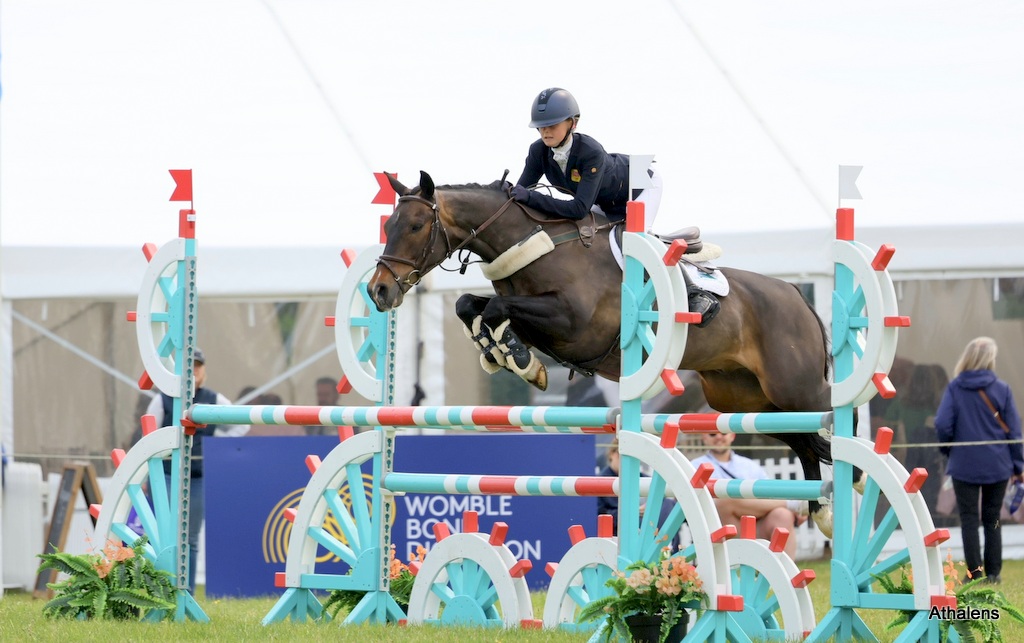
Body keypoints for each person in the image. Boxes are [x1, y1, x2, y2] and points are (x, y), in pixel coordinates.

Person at [511, 87, 718, 326]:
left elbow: (577, 209)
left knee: (636, 239)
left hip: (641, 186)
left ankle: (694, 293)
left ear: (573, 123)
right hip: (604, 200)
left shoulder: (590, 152)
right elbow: (520, 193)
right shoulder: (538, 151)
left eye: (552, 125)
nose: (545, 131)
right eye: (541, 126)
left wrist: (530, 197)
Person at [143, 348, 248, 592]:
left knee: (190, 538)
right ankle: (160, 590)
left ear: (204, 370)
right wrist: (151, 473)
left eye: (198, 365)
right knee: (163, 536)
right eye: (189, 365)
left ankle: (186, 592)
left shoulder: (214, 398)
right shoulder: (161, 399)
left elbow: (241, 424)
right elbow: (149, 437)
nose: (194, 370)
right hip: (167, 476)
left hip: (198, 477)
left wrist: (217, 447)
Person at [935, 337, 1023, 584]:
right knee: (993, 517)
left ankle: (974, 574)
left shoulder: (955, 388)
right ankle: (994, 574)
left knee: (969, 520)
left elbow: (942, 424)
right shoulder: (1002, 389)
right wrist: (1019, 467)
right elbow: (1014, 433)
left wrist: (948, 450)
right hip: (998, 465)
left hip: (964, 465)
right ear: (990, 359)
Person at [690, 432, 806, 560]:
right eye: (712, 434)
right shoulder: (694, 466)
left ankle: (786, 574)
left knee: (783, 515)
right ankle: (791, 504)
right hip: (720, 527)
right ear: (704, 437)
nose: (718, 437)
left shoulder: (749, 465)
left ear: (732, 436)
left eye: (723, 433)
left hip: (757, 523)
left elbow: (769, 494)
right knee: (725, 499)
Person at [597, 440, 680, 550]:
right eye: (622, 455)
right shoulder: (600, 481)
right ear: (612, 454)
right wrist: (633, 511)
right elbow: (600, 515)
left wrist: (649, 507)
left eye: (634, 456)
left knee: (668, 504)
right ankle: (665, 547)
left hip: (644, 527)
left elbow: (662, 498)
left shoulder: (641, 477)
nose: (627, 460)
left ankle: (666, 546)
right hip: (621, 534)